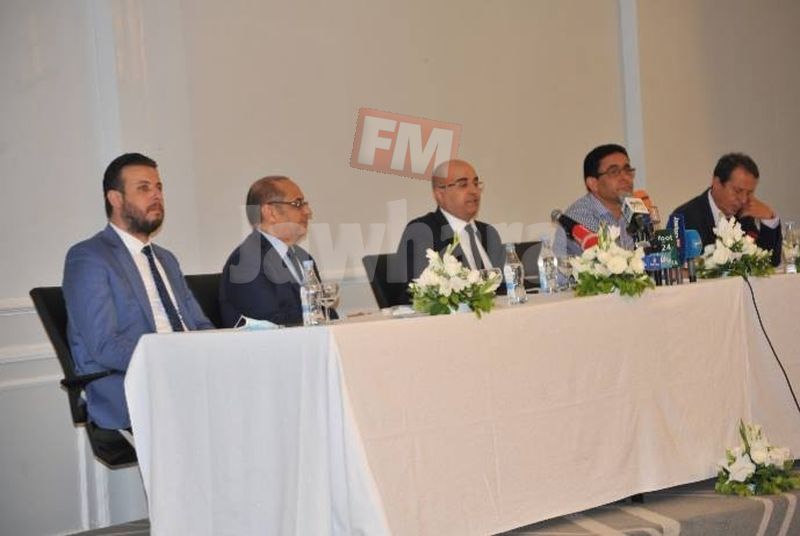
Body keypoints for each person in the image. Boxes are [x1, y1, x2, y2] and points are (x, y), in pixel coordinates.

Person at [63, 153, 214, 432]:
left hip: (189, 377)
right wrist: (175, 360)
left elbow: (200, 324)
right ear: (115, 198)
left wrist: (220, 351)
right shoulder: (89, 257)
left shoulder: (166, 259)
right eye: (144, 188)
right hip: (137, 384)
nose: (156, 195)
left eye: (159, 187)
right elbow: (105, 345)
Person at [219, 175, 334, 327]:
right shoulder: (246, 261)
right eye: (297, 203)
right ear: (270, 212)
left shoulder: (303, 257)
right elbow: (269, 322)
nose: (308, 211)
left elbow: (327, 312)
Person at [394, 159, 504, 299]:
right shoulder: (422, 231)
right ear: (440, 194)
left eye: (476, 184)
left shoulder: (488, 232)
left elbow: (509, 285)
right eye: (463, 184)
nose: (474, 191)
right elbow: (416, 293)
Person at [669, 153, 782, 266]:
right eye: (738, 191)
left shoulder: (745, 216)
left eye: (749, 193)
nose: (743, 200)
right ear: (717, 183)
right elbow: (675, 264)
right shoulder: (684, 217)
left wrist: (769, 219)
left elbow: (769, 262)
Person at [554, 144, 637, 257]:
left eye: (627, 170)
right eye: (614, 172)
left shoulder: (634, 210)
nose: (625, 178)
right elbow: (607, 261)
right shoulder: (579, 218)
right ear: (593, 184)